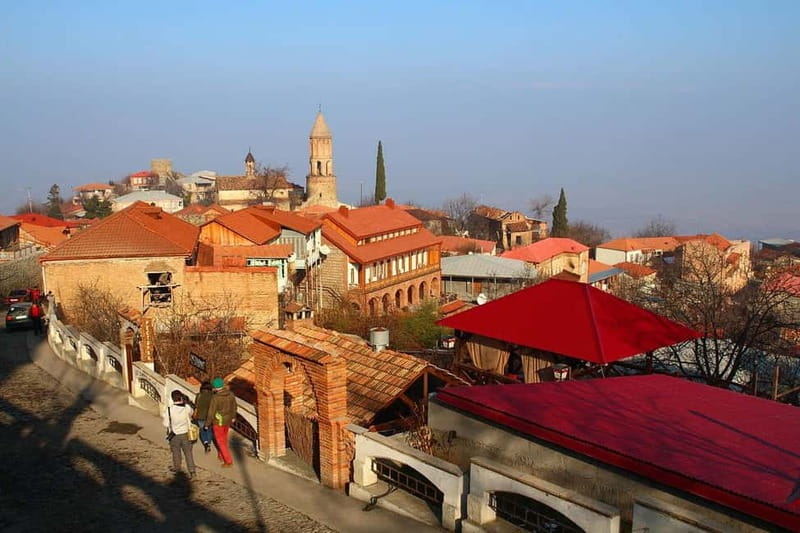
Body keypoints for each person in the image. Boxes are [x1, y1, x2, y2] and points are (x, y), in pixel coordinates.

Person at [162, 390, 197, 478]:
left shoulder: (169, 410)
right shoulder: (186, 407)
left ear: (172, 399)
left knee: (176, 452)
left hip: (174, 435)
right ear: (181, 397)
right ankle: (192, 471)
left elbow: (165, 423)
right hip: (185, 433)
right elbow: (191, 413)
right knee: (188, 453)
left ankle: (177, 468)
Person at [205, 377, 237, 467]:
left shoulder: (215, 398)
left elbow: (211, 412)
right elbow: (234, 406)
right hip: (228, 419)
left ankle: (228, 460)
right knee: (224, 438)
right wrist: (233, 417)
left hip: (218, 421)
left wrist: (207, 424)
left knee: (220, 441)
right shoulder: (231, 394)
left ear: (215, 387)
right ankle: (221, 455)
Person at [193, 381, 214, 453]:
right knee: (209, 429)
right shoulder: (213, 396)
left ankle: (205, 442)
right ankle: (209, 443)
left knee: (202, 429)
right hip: (209, 416)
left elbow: (196, 405)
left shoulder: (198, 395)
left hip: (200, 416)